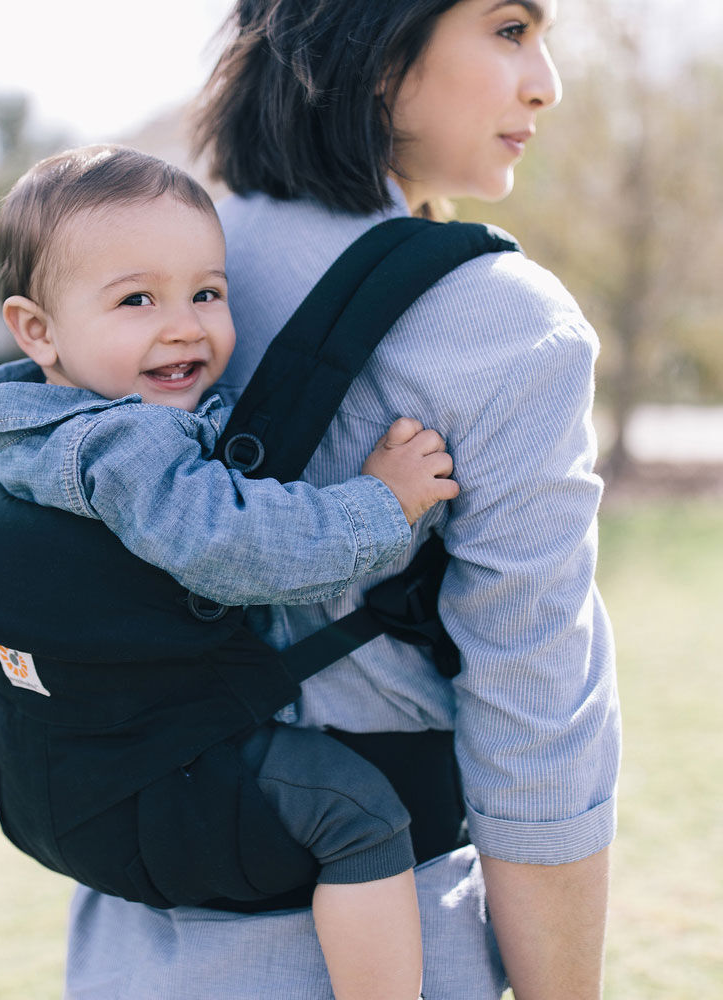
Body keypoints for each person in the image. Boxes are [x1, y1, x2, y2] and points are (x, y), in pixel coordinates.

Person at [63, 2, 621, 999]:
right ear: (373, 51)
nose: (546, 82)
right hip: (376, 943)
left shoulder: (156, 270)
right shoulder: (501, 320)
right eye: (506, 28)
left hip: (131, 941)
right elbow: (538, 722)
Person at [0, 144, 464, 1000]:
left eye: (207, 292)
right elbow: (236, 549)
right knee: (363, 814)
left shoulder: (37, 431)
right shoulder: (126, 444)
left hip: (55, 776)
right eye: (137, 299)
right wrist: (385, 504)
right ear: (36, 329)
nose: (185, 324)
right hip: (152, 775)